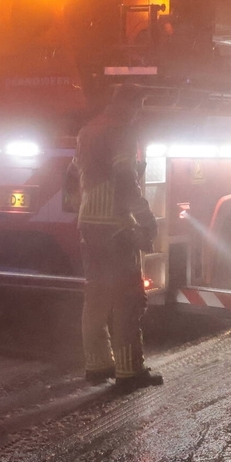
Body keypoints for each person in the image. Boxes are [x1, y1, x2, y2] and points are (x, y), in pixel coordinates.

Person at [72, 83, 162, 391]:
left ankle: (97, 365)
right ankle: (129, 371)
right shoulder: (122, 131)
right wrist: (146, 219)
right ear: (131, 105)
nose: (139, 113)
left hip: (89, 224)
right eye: (139, 106)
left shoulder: (87, 130)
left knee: (96, 295)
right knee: (128, 299)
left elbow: (74, 177)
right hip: (115, 227)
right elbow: (125, 180)